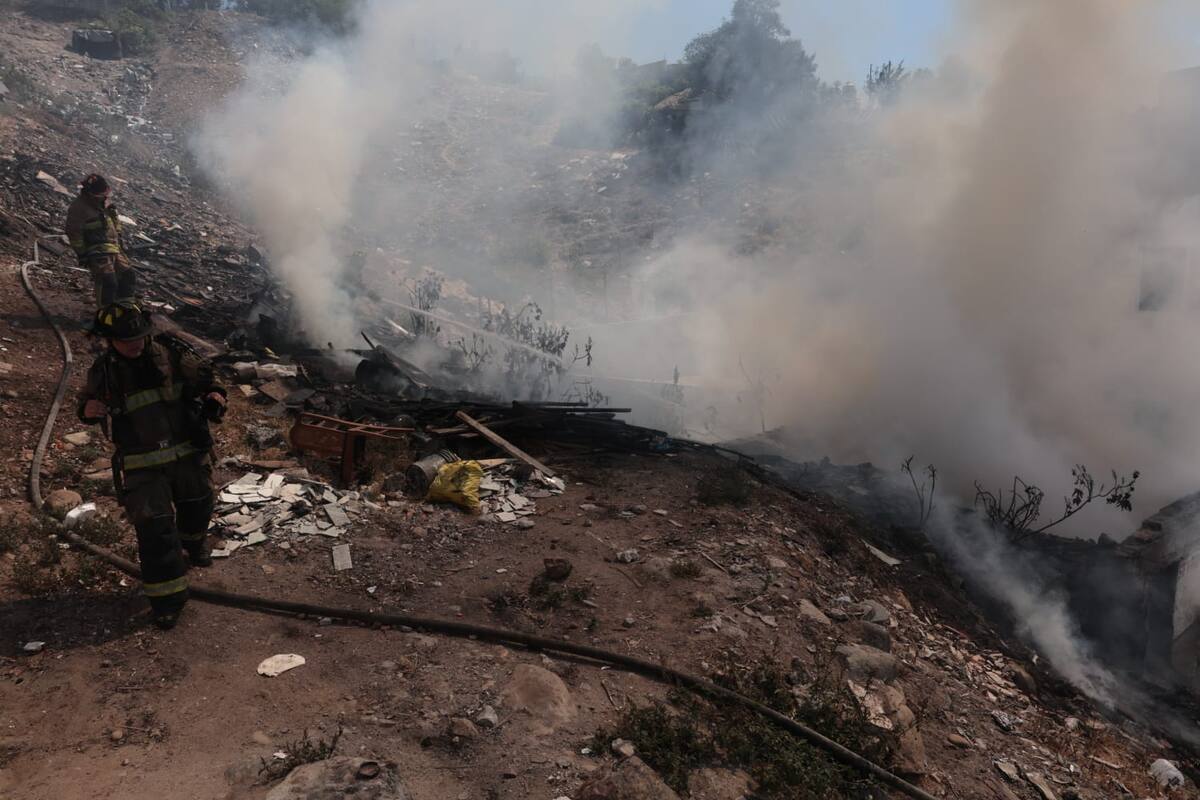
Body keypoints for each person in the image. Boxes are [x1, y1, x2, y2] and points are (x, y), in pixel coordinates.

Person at [77, 303, 227, 629]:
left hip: (187, 452)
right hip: (141, 462)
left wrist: (216, 395)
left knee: (198, 503)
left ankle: (193, 544)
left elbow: (209, 378)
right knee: (154, 530)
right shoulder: (103, 372)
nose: (134, 343)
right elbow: (85, 405)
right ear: (109, 340)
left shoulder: (172, 354)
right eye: (125, 339)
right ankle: (167, 601)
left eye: (139, 337)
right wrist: (87, 410)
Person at [65, 173, 135, 308]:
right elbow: (74, 233)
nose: (105, 197)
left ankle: (125, 310)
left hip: (113, 246)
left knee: (128, 275)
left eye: (106, 194)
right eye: (101, 195)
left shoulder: (104, 201)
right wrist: (82, 254)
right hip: (96, 250)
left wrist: (118, 233)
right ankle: (105, 314)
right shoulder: (78, 208)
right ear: (91, 194)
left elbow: (113, 219)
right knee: (108, 282)